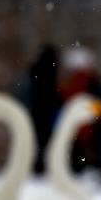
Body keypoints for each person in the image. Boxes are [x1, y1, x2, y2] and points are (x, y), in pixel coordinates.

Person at [60, 47, 101, 175]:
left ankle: (82, 168)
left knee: (81, 148)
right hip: (87, 121)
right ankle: (94, 168)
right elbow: (98, 101)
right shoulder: (89, 81)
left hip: (83, 121)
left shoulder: (71, 82)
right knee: (92, 147)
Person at [27, 45, 62, 174]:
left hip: (36, 110)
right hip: (46, 110)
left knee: (37, 140)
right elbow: (52, 91)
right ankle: (42, 165)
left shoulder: (35, 68)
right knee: (45, 140)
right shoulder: (50, 69)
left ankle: (38, 165)